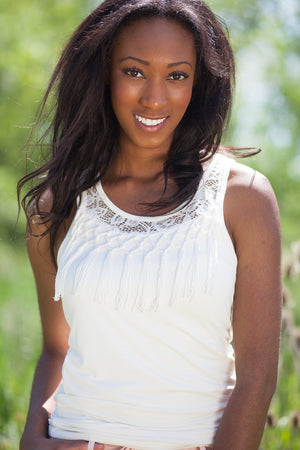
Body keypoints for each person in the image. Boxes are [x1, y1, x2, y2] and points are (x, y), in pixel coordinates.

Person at [18, 0, 282, 449]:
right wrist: (31, 440)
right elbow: (56, 348)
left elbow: (257, 374)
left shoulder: (242, 198)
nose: (155, 98)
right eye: (135, 71)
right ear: (103, 74)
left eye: (177, 75)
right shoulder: (57, 204)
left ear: (198, 83)